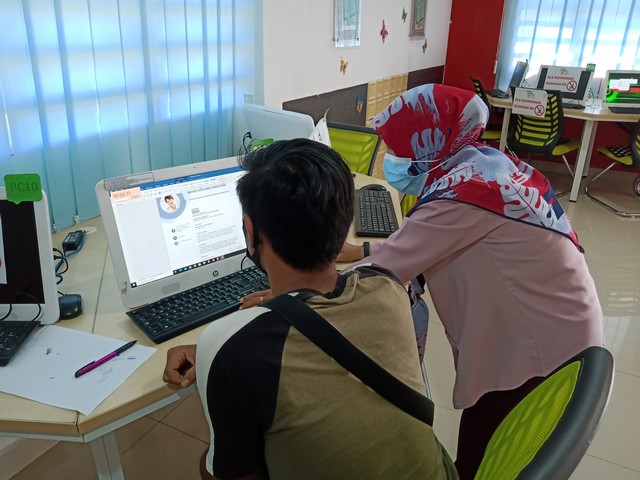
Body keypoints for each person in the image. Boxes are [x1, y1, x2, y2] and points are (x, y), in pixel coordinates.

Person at [334, 83, 605, 478]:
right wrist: (362, 250)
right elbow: (422, 243)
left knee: (482, 457)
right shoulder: (482, 166)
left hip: (541, 351)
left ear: (429, 144)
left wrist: (293, 290)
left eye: (398, 149)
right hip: (562, 326)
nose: (392, 160)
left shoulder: (465, 194)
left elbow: (384, 273)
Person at [163, 138, 457, 479]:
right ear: (345, 222)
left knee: (207, 463)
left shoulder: (231, 346)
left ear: (249, 230)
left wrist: (218, 350)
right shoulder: (387, 287)